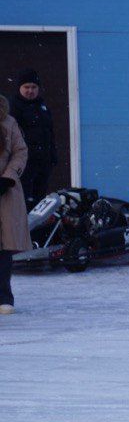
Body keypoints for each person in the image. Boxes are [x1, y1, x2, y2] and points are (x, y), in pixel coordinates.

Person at [0, 96, 32, 315]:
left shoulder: (9, 123)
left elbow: (21, 152)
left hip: (5, 190)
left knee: (3, 247)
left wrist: (8, 177)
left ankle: (4, 297)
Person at [8, 69, 56, 208]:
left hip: (43, 164)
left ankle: (37, 229)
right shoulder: (14, 108)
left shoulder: (42, 107)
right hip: (25, 165)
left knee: (39, 203)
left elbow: (49, 133)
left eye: (34, 87)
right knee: (23, 202)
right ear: (20, 88)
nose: (30, 90)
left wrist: (52, 156)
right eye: (27, 87)